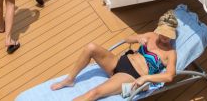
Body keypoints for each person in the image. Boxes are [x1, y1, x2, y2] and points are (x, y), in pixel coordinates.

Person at [50, 11, 179, 97]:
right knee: (91, 47)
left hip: (130, 75)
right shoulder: (151, 35)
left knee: (94, 92)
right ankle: (69, 79)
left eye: (168, 35)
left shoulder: (170, 53)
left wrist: (146, 78)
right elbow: (127, 39)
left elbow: (169, 76)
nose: (165, 37)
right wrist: (138, 39)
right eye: (163, 33)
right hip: (118, 62)